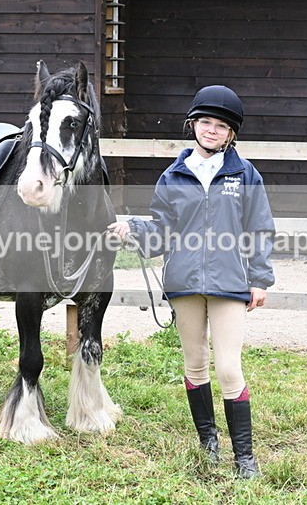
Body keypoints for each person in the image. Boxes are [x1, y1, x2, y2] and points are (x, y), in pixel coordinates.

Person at [107, 85, 275, 478]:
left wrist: (260, 278)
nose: (211, 130)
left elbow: (260, 228)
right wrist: (132, 228)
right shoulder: (173, 175)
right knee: (195, 363)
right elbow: (163, 230)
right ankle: (208, 441)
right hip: (183, 282)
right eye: (205, 122)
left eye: (220, 126)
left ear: (231, 133)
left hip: (230, 283)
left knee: (229, 369)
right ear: (193, 125)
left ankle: (245, 457)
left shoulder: (245, 174)